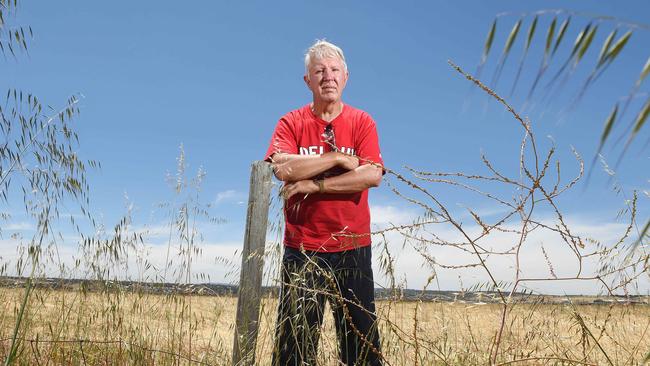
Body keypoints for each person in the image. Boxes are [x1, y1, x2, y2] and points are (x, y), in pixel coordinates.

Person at [264, 39, 384, 366]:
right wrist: (336, 157)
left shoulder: (362, 122)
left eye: (334, 70)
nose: (327, 76)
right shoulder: (292, 122)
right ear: (308, 81)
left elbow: (371, 175)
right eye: (319, 71)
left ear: (346, 77)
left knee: (360, 348)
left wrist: (313, 185)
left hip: (353, 246)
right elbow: (282, 167)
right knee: (294, 347)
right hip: (303, 249)